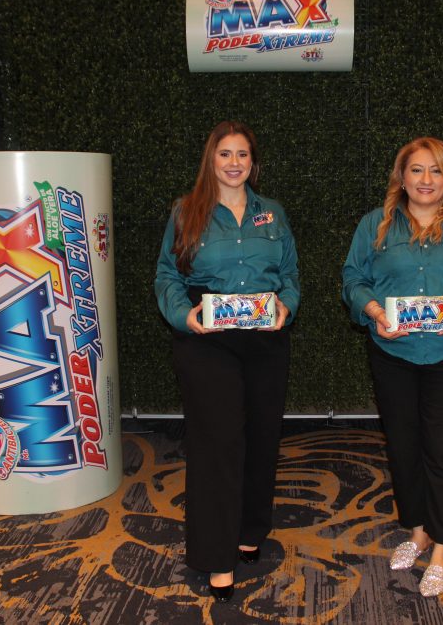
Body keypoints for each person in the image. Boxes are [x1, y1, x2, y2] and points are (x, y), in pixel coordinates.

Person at [341, 137, 443, 597]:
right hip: (394, 354)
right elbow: (353, 279)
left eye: (436, 170)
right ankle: (417, 531)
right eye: (416, 170)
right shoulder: (375, 225)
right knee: (404, 446)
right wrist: (374, 311)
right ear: (402, 176)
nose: (426, 180)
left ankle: (441, 546)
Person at [154, 121, 300, 603]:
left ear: (253, 162)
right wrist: (184, 315)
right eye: (225, 154)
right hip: (207, 341)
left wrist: (287, 305)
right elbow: (167, 275)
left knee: (261, 435)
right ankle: (217, 555)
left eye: (242, 154)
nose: (234, 163)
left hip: (265, 340)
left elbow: (290, 274)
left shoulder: (273, 212)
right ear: (211, 160)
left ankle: (250, 529)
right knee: (218, 443)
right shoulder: (186, 211)